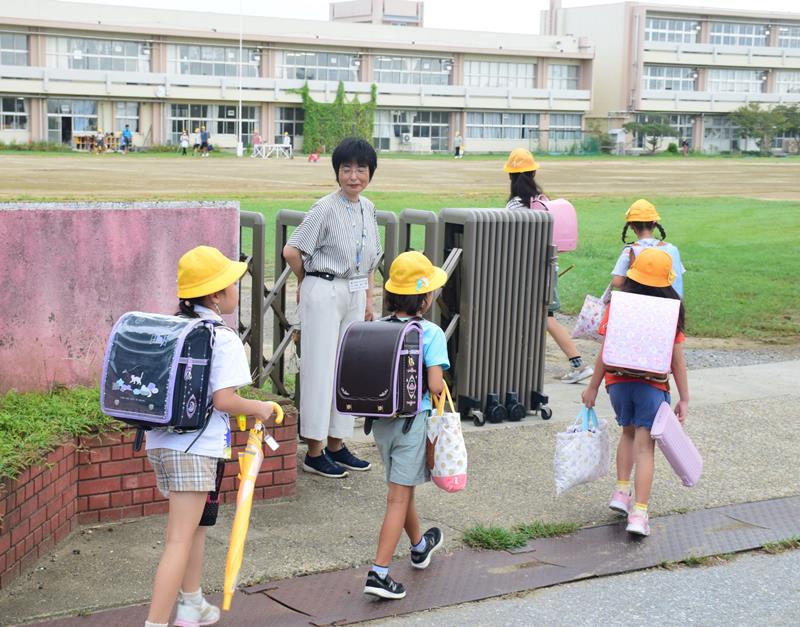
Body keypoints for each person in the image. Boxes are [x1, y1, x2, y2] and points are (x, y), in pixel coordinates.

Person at [144, 246, 278, 627]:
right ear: (217, 294)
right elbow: (224, 400)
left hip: (162, 443)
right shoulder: (222, 337)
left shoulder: (175, 328)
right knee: (178, 539)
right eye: (232, 282)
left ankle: (192, 603)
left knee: (197, 528)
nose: (237, 287)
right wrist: (260, 409)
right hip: (195, 448)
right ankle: (155, 623)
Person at [282, 137, 381, 478]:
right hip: (324, 289)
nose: (354, 175)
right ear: (337, 172)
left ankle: (337, 443)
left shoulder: (368, 208)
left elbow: (369, 262)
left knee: (347, 370)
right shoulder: (324, 207)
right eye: (346, 168)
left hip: (354, 292)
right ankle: (314, 448)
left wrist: (367, 300)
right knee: (320, 369)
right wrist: (305, 282)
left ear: (370, 173)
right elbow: (292, 251)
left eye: (361, 169)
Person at [581, 248, 689, 538]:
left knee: (627, 433)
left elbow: (606, 350)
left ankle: (620, 492)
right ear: (667, 282)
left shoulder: (619, 305)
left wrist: (592, 386)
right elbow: (677, 359)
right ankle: (639, 513)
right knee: (645, 447)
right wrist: (685, 398)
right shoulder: (670, 312)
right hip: (651, 387)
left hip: (617, 384)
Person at [364, 251, 448, 600]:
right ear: (425, 299)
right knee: (398, 497)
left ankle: (419, 546)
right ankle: (379, 573)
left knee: (403, 487)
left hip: (381, 423)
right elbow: (434, 385)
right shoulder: (430, 333)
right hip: (413, 424)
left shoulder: (379, 329)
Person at [503, 148, 593, 384]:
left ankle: (577, 362)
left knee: (544, 317)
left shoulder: (514, 206)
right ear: (533, 173)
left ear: (511, 177)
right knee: (540, 316)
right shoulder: (542, 201)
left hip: (524, 271)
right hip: (547, 267)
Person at [610, 199, 685, 298]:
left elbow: (617, 282)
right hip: (670, 305)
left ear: (631, 225)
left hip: (642, 306)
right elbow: (677, 280)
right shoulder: (672, 249)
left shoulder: (629, 251)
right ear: (654, 223)